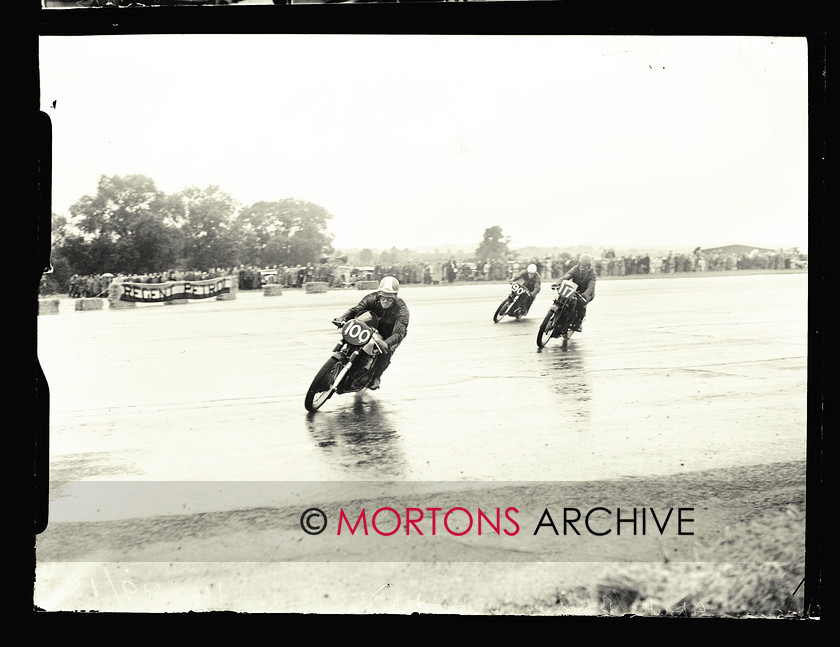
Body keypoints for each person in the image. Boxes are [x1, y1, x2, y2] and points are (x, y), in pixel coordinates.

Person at [333, 276, 409, 390]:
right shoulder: (372, 298)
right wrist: (343, 318)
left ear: (395, 296)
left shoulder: (402, 310)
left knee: (386, 351)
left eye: (389, 299)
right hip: (373, 327)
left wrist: (387, 343)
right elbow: (356, 310)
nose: (385, 301)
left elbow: (399, 333)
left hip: (391, 334)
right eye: (383, 297)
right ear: (379, 293)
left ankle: (376, 377)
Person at [559, 254, 596, 332]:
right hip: (574, 288)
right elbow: (567, 275)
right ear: (579, 264)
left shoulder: (592, 274)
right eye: (581, 265)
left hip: (587, 293)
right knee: (563, 298)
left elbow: (591, 287)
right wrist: (559, 282)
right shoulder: (575, 269)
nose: (582, 267)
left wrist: (585, 294)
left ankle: (579, 323)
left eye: (585, 266)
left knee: (581, 303)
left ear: (589, 266)